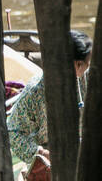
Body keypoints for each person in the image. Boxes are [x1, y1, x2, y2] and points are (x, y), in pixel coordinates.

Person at [7, 29, 92, 164]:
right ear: (77, 64)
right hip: (50, 156)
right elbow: (13, 133)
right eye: (87, 63)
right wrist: (41, 153)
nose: (89, 66)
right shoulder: (36, 91)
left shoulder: (88, 77)